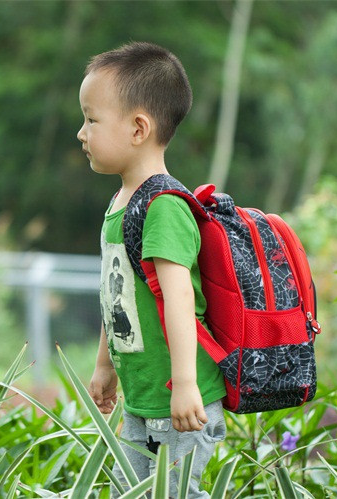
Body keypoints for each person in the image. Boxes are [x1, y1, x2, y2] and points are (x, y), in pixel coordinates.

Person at [78, 42, 227, 497]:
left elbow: (180, 299)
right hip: (142, 398)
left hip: (180, 398)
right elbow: (114, 294)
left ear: (139, 128)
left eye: (91, 119)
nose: (81, 133)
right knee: (133, 490)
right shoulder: (118, 204)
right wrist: (105, 365)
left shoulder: (163, 206)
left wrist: (184, 385)